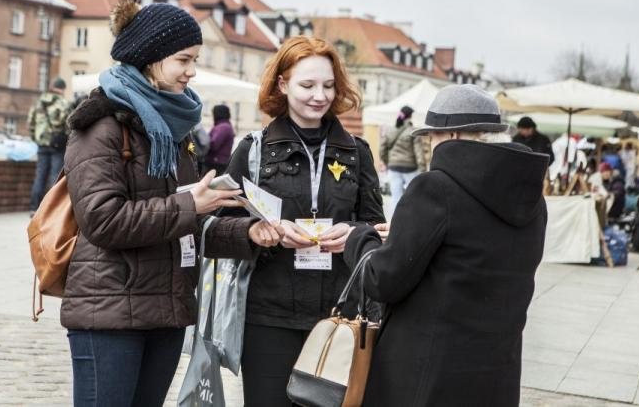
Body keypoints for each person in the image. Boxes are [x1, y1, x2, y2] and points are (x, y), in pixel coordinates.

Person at [61, 0, 283, 407]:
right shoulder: (101, 124)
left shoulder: (171, 127)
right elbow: (102, 221)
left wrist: (249, 233)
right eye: (183, 59)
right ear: (149, 57)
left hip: (166, 311)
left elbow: (185, 223)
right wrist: (190, 206)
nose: (192, 71)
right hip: (109, 312)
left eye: (195, 59)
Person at [344, 84, 549, 407]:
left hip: (426, 377)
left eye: (431, 138)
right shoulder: (532, 198)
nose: (429, 147)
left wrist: (358, 239)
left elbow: (382, 281)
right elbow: (472, 252)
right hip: (496, 374)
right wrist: (404, 232)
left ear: (452, 136)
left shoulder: (435, 188)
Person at [219, 36, 386, 407]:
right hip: (269, 316)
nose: (319, 96)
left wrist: (356, 234)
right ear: (283, 84)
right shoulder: (253, 150)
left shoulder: (356, 153)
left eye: (328, 85)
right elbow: (217, 229)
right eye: (307, 85)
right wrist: (256, 232)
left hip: (338, 318)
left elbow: (378, 231)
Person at [28, 77, 72, 213]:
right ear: (62, 89)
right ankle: (52, 209)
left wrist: (36, 138)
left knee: (40, 176)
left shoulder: (38, 103)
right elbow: (69, 124)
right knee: (55, 176)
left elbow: (31, 123)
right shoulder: (63, 103)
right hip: (57, 144)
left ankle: (34, 208)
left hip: (42, 144)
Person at [379, 105, 426, 214]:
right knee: (413, 196)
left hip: (393, 167)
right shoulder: (413, 131)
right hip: (410, 168)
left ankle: (395, 223)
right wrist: (423, 170)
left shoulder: (391, 130)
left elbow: (382, 149)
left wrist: (387, 162)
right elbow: (419, 152)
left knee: (396, 197)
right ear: (410, 117)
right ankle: (412, 220)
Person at [204, 104, 235, 175]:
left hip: (216, 163)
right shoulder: (224, 126)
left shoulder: (223, 127)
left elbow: (214, 145)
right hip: (219, 162)